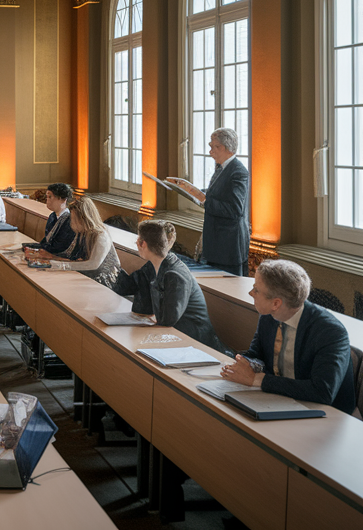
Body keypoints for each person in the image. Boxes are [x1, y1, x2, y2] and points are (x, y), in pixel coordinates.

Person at [220, 260, 356, 414]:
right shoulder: (269, 316)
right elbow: (256, 355)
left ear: (276, 303)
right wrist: (242, 363)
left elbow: (322, 392)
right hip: (280, 400)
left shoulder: (330, 332)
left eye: (256, 290)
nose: (251, 293)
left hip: (328, 415)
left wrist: (256, 379)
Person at [114, 220, 223, 350]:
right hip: (173, 337)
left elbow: (167, 321)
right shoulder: (152, 266)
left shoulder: (175, 275)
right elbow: (126, 287)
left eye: (138, 240)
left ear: (142, 243)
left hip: (196, 342)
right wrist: (112, 264)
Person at [168, 127, 250, 275]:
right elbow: (218, 194)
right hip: (217, 243)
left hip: (228, 246)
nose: (210, 151)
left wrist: (203, 199)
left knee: (227, 292)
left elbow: (234, 210)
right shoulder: (221, 167)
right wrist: (191, 190)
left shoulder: (238, 172)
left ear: (222, 147)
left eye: (212, 147)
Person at [30, 197, 120, 288]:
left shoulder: (101, 235)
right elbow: (74, 258)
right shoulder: (84, 232)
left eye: (74, 220)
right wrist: (53, 258)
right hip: (90, 275)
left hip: (108, 280)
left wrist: (60, 265)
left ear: (84, 218)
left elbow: (93, 265)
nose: (71, 223)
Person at [23, 182, 76, 256]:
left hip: (60, 256)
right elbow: (46, 240)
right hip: (49, 251)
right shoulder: (52, 216)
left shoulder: (69, 220)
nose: (47, 200)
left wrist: (38, 250)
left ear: (63, 199)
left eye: (50, 197)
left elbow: (60, 246)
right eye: (47, 196)